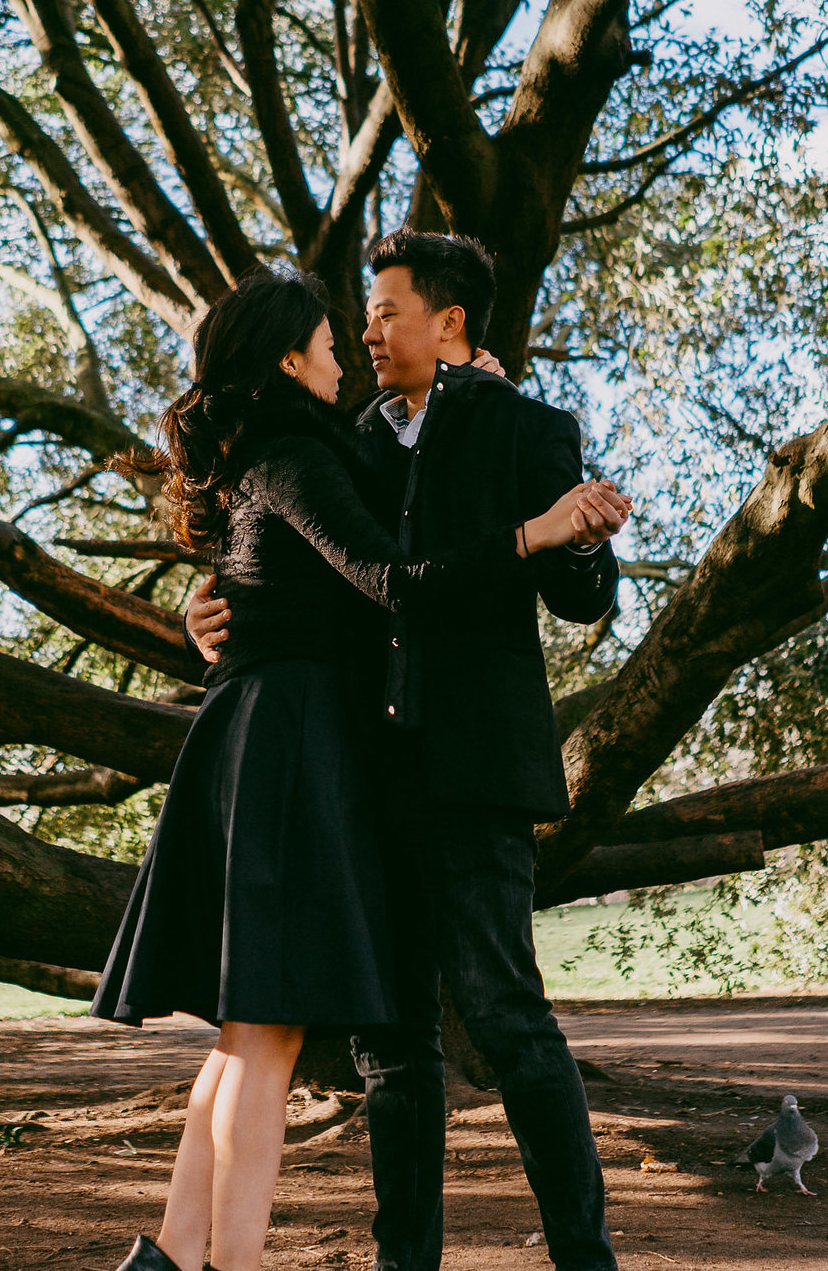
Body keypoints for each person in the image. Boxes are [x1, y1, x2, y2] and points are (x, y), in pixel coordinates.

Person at [97, 267, 628, 1271]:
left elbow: (581, 595)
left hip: (464, 769)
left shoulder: (516, 425)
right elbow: (329, 565)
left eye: (383, 315)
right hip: (351, 769)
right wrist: (210, 609)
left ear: (449, 322)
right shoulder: (338, 442)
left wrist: (573, 530)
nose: (362, 339)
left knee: (498, 1018)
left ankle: (584, 1262)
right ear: (295, 360)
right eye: (347, 330)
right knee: (371, 1048)